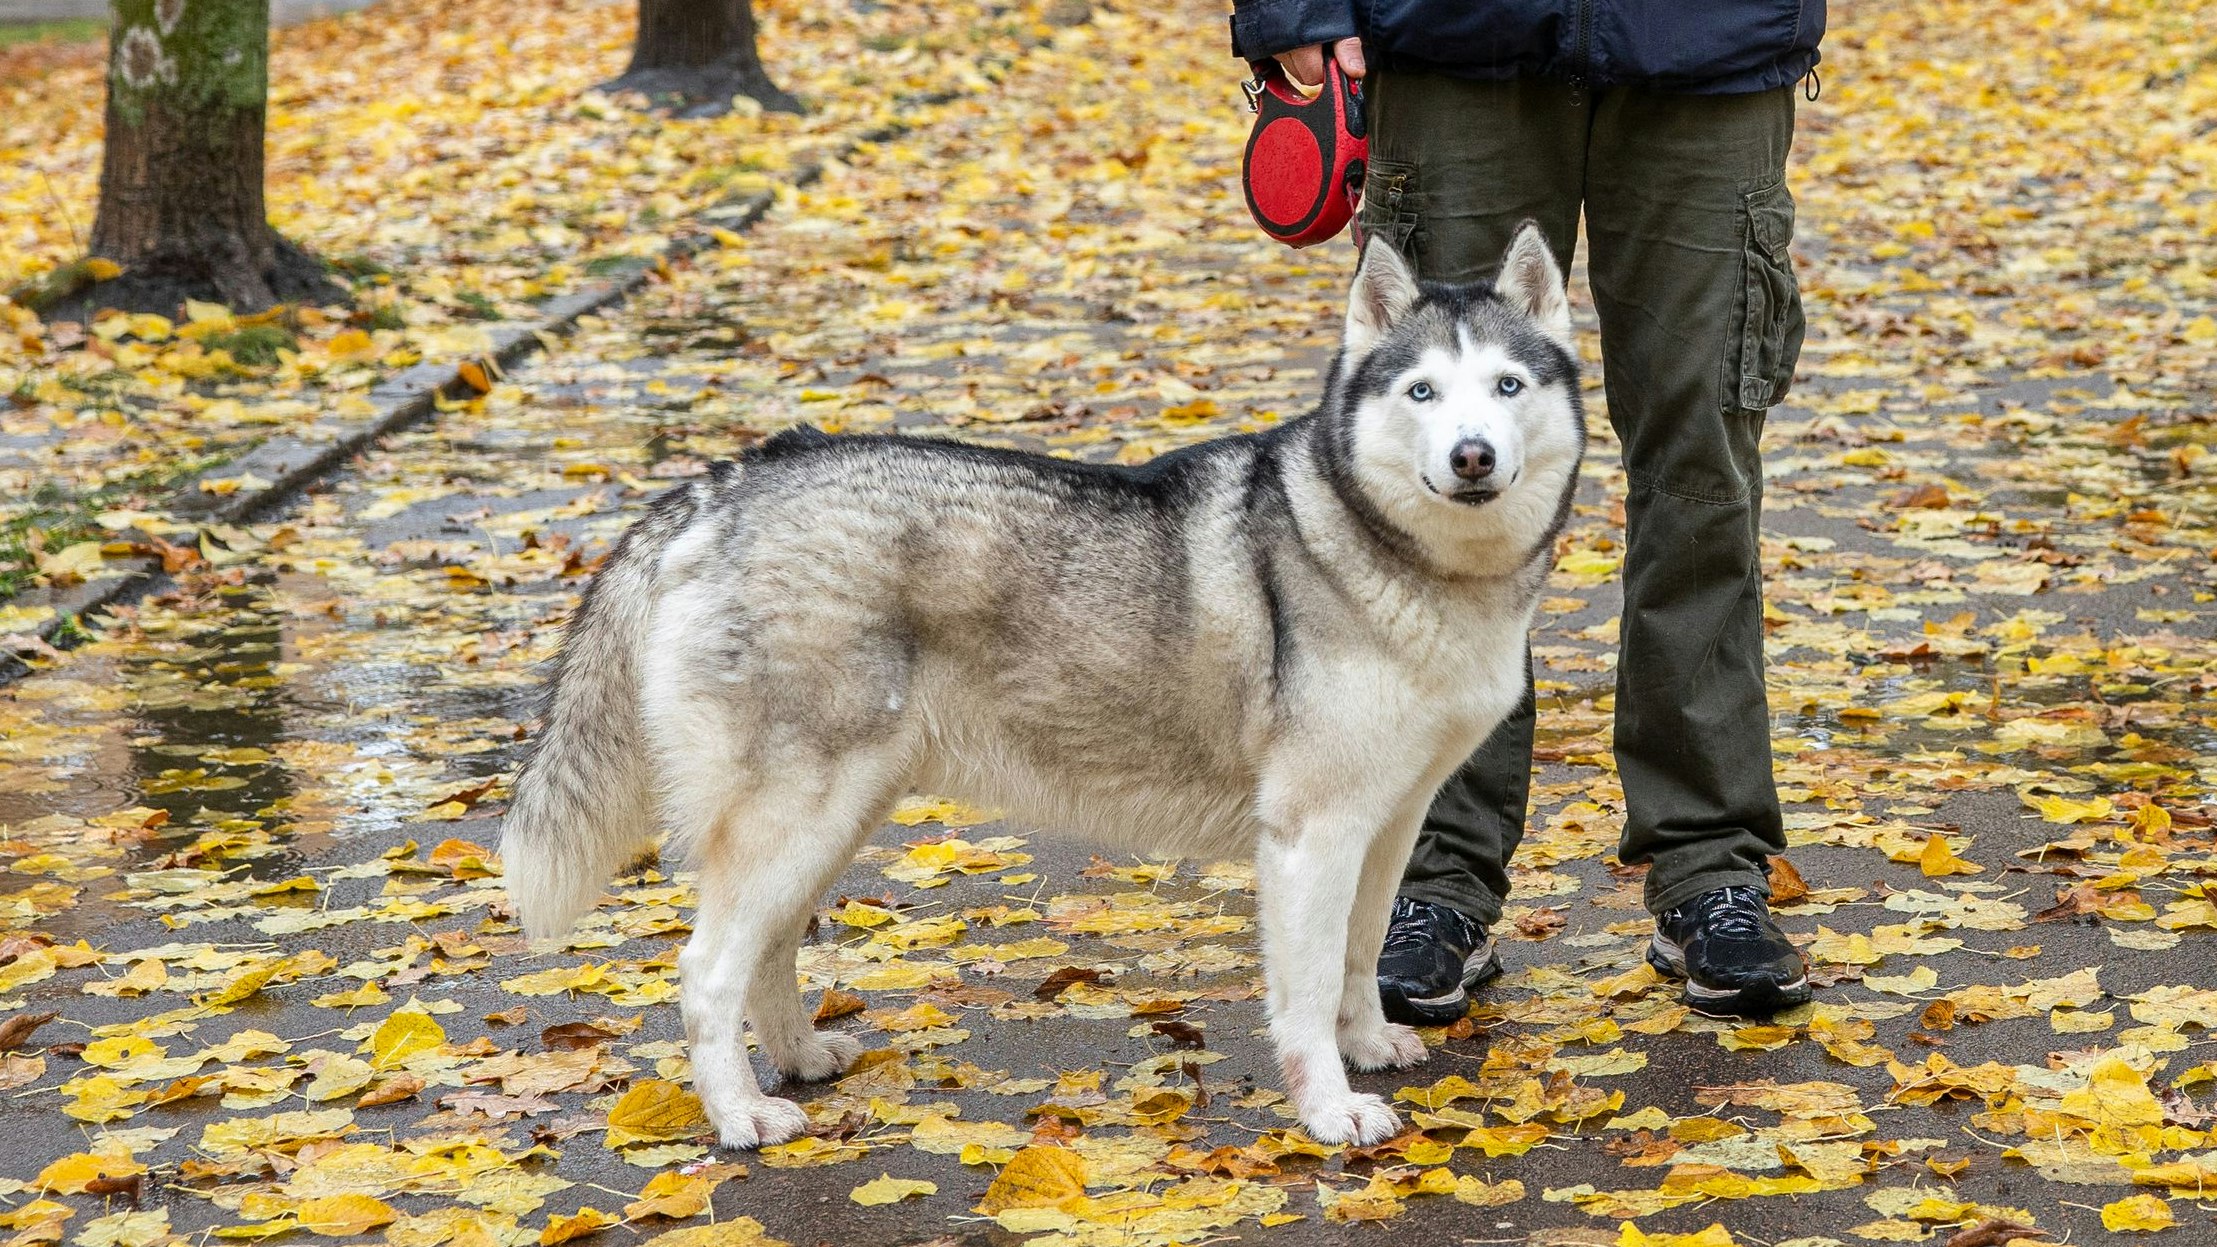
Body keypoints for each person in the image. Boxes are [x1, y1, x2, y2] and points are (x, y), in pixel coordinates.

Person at [1229, 1, 1825, 1019]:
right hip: (1455, 44)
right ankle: (1432, 879)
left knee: (1704, 472)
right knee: (1432, 494)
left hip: (1711, 45)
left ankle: (1711, 866)